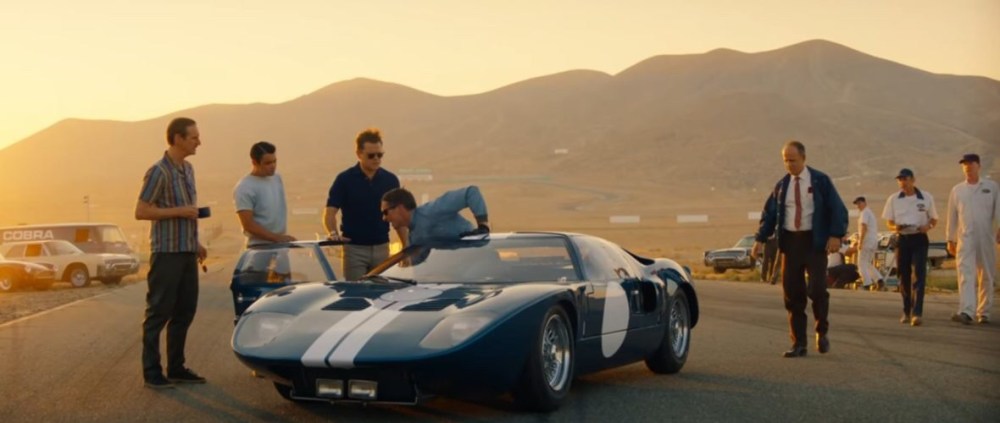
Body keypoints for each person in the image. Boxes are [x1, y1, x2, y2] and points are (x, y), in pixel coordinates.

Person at [751, 141, 847, 358]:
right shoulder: (781, 186)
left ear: (803, 158)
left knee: (817, 290)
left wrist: (835, 235)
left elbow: (837, 208)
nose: (789, 164)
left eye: (793, 160)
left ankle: (821, 331)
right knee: (792, 294)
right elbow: (769, 215)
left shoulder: (820, 181)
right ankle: (799, 343)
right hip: (790, 244)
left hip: (814, 243)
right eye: (785, 160)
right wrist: (759, 240)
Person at [134, 117, 208, 389]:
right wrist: (179, 211)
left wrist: (196, 242)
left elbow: (188, 212)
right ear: (178, 139)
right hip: (166, 254)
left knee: (185, 311)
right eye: (194, 137)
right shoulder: (158, 172)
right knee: (158, 312)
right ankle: (152, 372)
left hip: (187, 250)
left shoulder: (188, 169)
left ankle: (176, 367)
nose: (199, 142)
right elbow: (141, 211)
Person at [323, 129, 404, 280]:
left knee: (382, 292)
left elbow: (399, 218)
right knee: (356, 291)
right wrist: (333, 233)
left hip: (382, 248)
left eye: (380, 155)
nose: (376, 159)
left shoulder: (390, 180)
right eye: (371, 155)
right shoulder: (345, 180)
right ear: (359, 154)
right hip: (354, 250)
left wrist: (405, 248)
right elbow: (330, 211)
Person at [945, 153, 1000, 325]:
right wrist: (950, 239)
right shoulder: (957, 190)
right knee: (965, 273)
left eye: (971, 163)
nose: (968, 167)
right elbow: (952, 216)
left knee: (986, 274)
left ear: (979, 166)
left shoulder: (991, 187)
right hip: (965, 237)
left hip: (986, 236)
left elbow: (998, 209)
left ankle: (983, 311)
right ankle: (967, 311)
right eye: (965, 164)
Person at [881, 168, 938, 327]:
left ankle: (917, 312)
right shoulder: (894, 199)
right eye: (900, 180)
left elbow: (934, 219)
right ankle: (906, 310)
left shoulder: (926, 197)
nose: (903, 182)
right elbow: (889, 222)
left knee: (919, 275)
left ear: (913, 180)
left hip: (919, 238)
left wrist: (927, 226)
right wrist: (895, 227)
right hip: (903, 239)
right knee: (903, 275)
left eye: (905, 179)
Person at [234, 141, 295, 281]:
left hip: (280, 248)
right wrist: (276, 237)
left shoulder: (277, 178)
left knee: (285, 288)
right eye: (267, 163)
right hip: (259, 249)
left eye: (274, 161)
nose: (272, 166)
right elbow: (248, 224)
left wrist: (280, 240)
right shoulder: (244, 187)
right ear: (255, 162)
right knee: (258, 288)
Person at [380, 186, 490, 246]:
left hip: (478, 261)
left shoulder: (433, 210)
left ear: (399, 208)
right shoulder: (414, 237)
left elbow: (471, 193)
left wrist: (483, 227)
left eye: (385, 212)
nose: (384, 218)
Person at [853, 196, 884, 290]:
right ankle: (879, 279)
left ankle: (866, 283)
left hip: (866, 241)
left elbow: (864, 227)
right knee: (867, 263)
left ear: (865, 203)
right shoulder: (870, 213)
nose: (858, 205)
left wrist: (860, 241)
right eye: (857, 204)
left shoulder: (864, 213)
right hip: (873, 240)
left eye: (859, 203)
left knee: (861, 263)